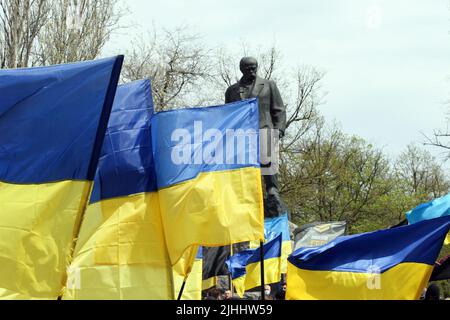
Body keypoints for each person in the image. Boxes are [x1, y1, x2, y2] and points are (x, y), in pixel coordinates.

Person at [225, 57, 287, 217]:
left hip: (264, 129)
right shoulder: (232, 91)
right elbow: (227, 115)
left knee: (268, 164)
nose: (251, 71)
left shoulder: (268, 85)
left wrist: (279, 129)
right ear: (241, 69)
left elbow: (278, 109)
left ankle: (272, 191)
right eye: (248, 68)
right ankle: (247, 194)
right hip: (241, 136)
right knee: (245, 169)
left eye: (254, 67)